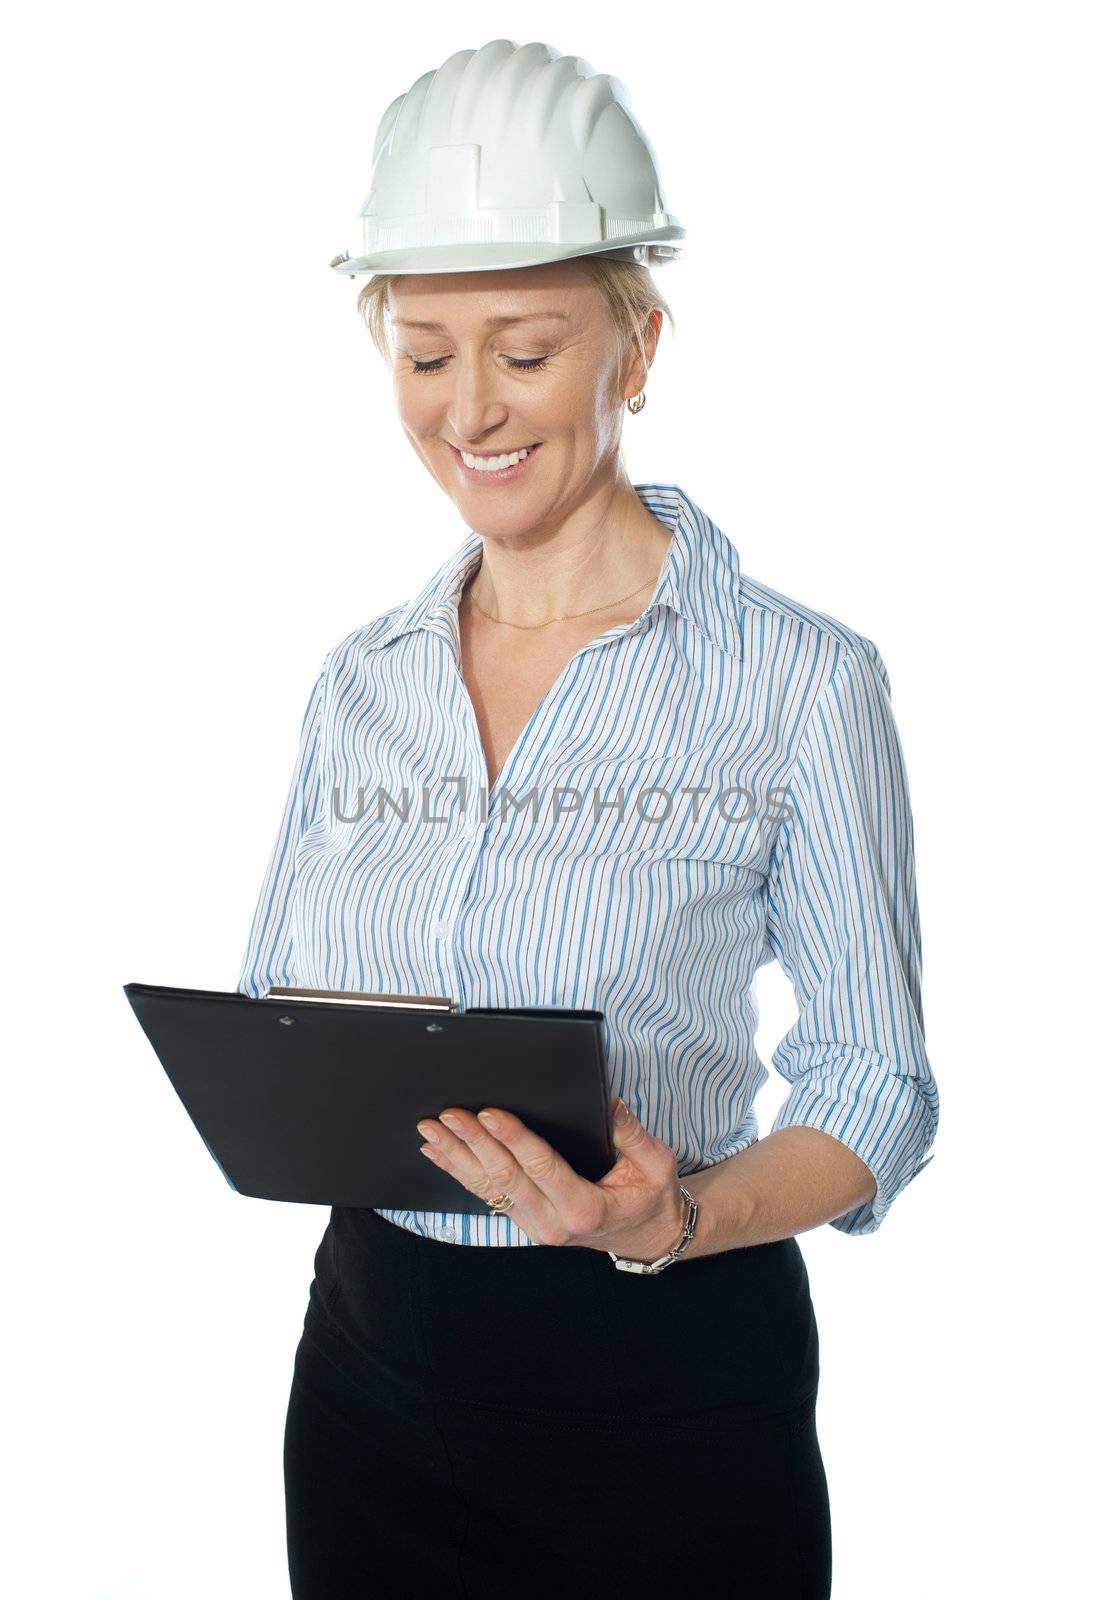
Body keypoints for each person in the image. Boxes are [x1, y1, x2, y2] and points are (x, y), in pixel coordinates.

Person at [236, 38, 938, 1600]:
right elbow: (289, 1009)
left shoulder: (802, 685)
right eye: (424, 355)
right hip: (369, 1376)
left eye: (526, 350)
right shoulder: (361, 682)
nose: (469, 408)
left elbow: (878, 1091)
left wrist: (672, 1212)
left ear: (638, 346)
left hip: (668, 1391)